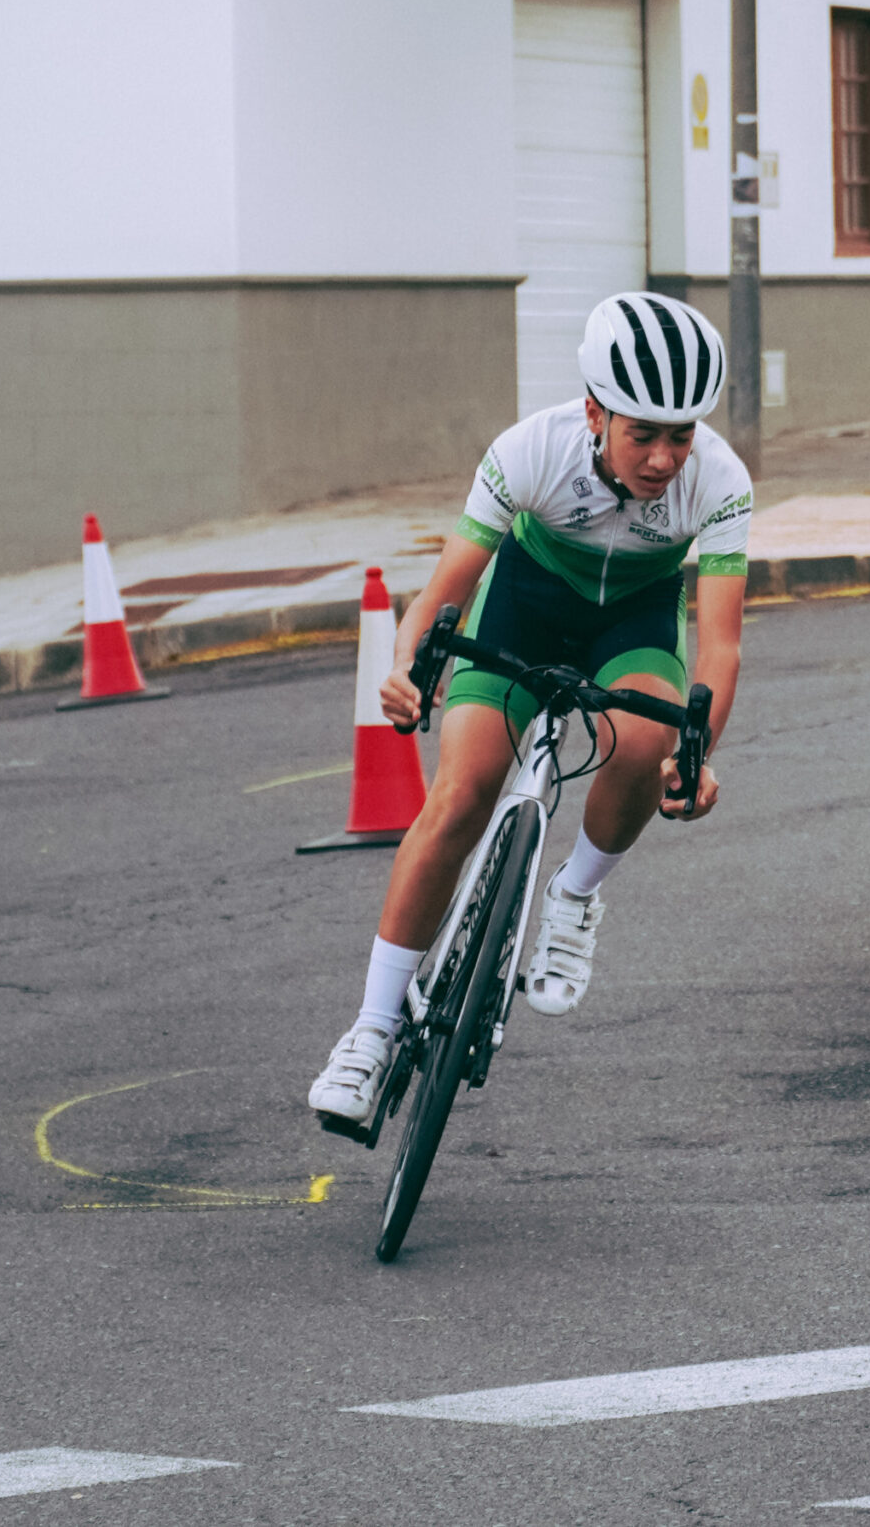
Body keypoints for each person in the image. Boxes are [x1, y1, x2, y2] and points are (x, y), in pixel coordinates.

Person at [308, 292, 750, 1126]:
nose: (663, 458)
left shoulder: (722, 482)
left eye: (681, 434)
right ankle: (369, 1031)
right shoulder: (528, 451)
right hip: (527, 600)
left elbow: (719, 645)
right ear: (594, 411)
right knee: (463, 794)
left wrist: (691, 760)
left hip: (635, 617)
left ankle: (575, 894)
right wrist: (410, 668)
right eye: (642, 433)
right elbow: (443, 593)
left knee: (645, 735)